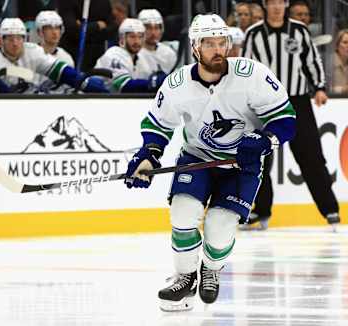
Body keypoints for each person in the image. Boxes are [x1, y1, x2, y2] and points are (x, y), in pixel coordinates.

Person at [124, 14, 296, 311]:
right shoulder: (177, 83)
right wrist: (149, 154)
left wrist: (264, 139)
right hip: (197, 158)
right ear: (195, 47)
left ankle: (211, 270)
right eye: (209, 43)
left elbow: (286, 119)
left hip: (242, 166)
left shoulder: (252, 75)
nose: (218, 50)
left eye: (222, 42)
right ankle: (185, 276)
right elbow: (158, 125)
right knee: (182, 213)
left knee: (218, 227)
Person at [243, 0, 339, 231]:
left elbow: (311, 61)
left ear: (286, 3)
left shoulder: (299, 30)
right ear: (265, 5)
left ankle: (330, 209)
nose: (276, 6)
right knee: (260, 157)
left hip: (296, 102)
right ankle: (261, 210)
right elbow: (245, 68)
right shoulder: (253, 34)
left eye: (280, 1)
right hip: (263, 104)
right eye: (272, 2)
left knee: (311, 157)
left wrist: (319, 87)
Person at [0, 18, 108, 93]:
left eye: (19, 38)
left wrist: (83, 82)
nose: (15, 43)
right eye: (10, 38)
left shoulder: (33, 51)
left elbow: (60, 70)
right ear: (1, 40)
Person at [94, 18, 165, 93]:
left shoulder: (144, 57)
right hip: (97, 101)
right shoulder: (114, 54)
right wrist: (151, 83)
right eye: (132, 37)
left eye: (140, 37)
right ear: (122, 38)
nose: (137, 41)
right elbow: (124, 86)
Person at [58, 0, 117, 72]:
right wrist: (97, 25)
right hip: (72, 54)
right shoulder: (66, 2)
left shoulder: (103, 2)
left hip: (96, 56)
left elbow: (112, 28)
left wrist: (84, 28)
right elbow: (73, 31)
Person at [138, 9, 177, 74]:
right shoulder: (134, 54)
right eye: (148, 28)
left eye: (156, 28)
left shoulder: (169, 53)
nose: (153, 33)